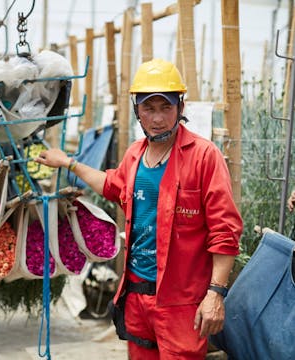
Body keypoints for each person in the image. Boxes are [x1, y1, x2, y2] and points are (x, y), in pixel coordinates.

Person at [35, 58, 243, 359]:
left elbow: (225, 230)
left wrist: (215, 294)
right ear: (137, 111)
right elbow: (112, 185)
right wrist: (68, 163)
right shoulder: (135, 155)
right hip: (136, 294)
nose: (157, 118)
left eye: (165, 107)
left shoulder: (203, 156)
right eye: (149, 108)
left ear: (180, 107)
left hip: (180, 303)